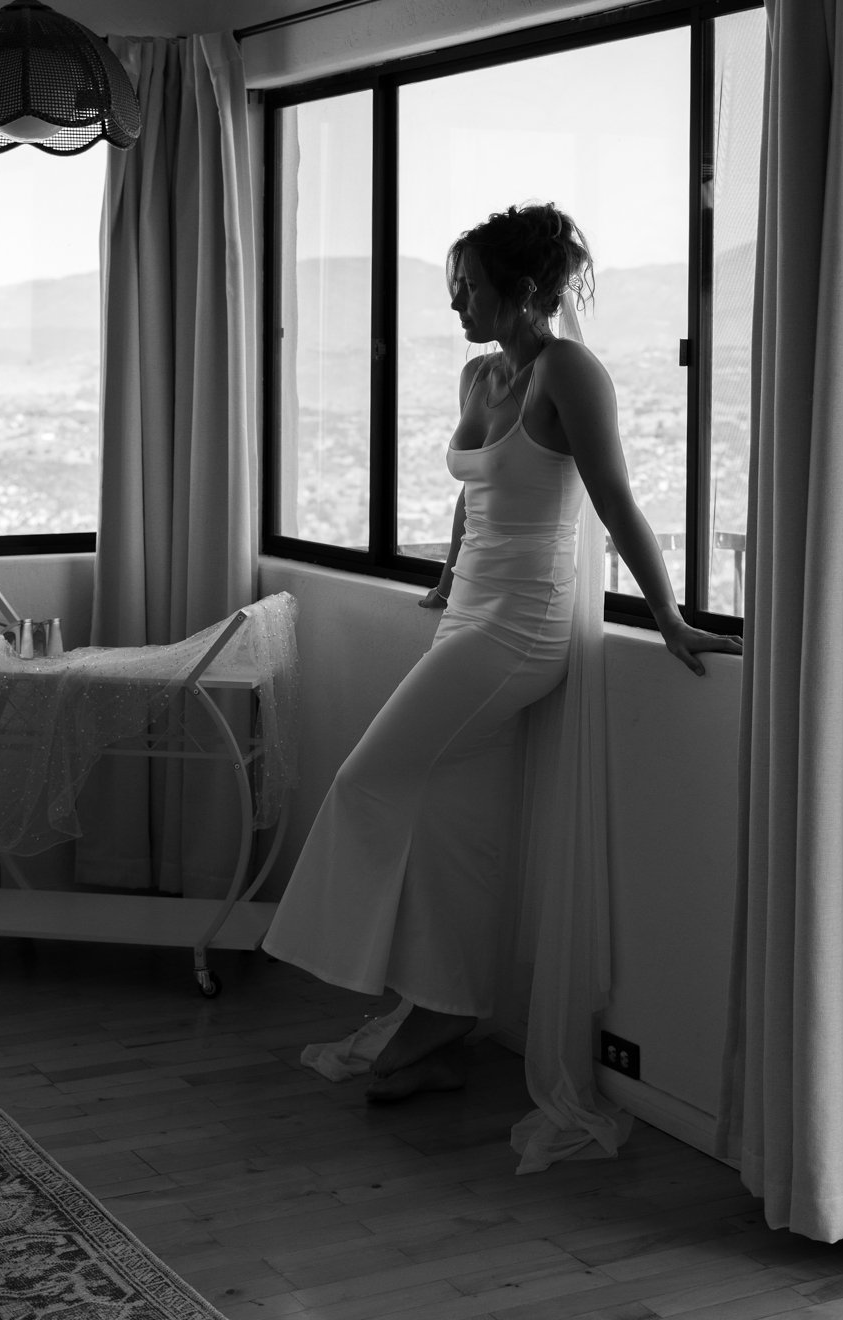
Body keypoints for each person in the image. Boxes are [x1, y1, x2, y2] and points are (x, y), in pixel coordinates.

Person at [262, 201, 742, 1106]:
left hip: (523, 626)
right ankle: (442, 1009)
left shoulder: (569, 371)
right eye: (454, 289)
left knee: (365, 780)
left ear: (524, 292)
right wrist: (447, 575)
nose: (456, 308)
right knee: (452, 829)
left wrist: (670, 617)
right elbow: (476, 493)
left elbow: (614, 501)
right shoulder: (483, 376)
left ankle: (392, 987)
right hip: (470, 612)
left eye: (470, 290)